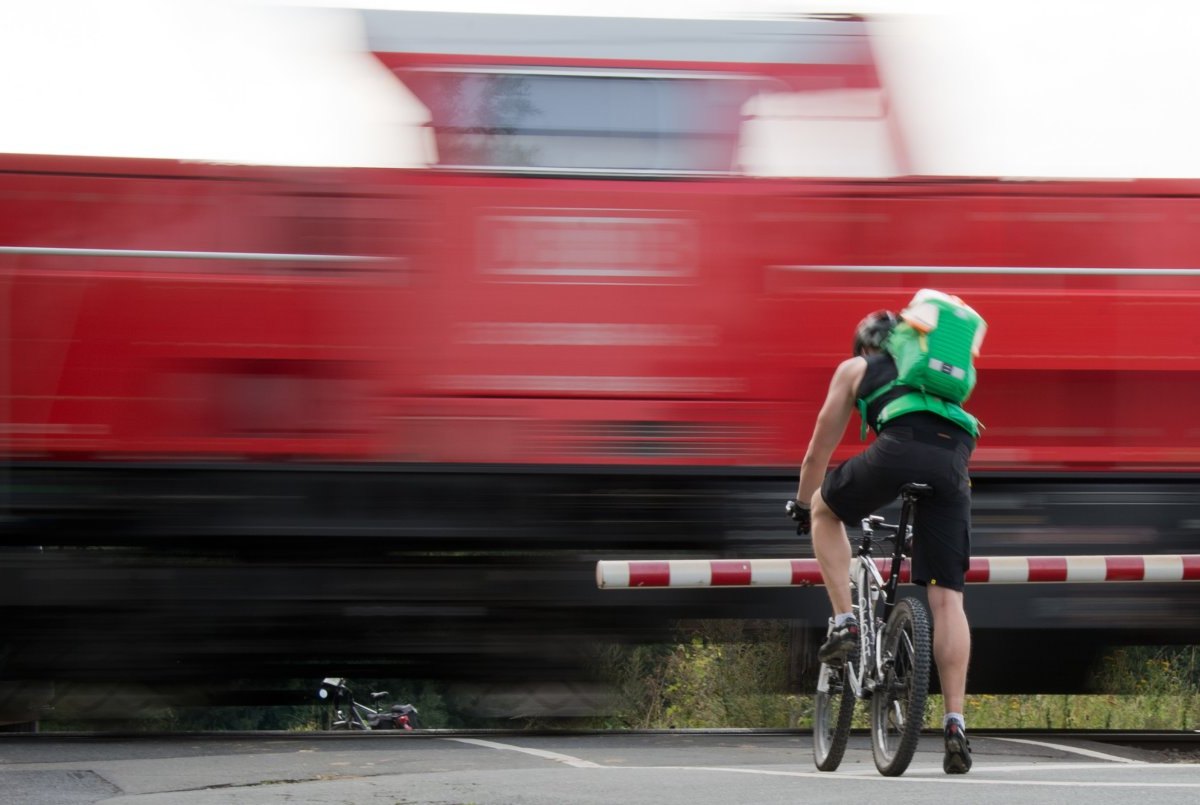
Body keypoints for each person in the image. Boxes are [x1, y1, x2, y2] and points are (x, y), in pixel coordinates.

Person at [788, 307, 976, 775]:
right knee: (948, 600)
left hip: (899, 445)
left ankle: (845, 623)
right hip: (955, 457)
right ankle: (956, 723)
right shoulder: (934, 379)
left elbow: (819, 449)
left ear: (865, 347)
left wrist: (804, 502)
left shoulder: (856, 368)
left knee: (825, 512)